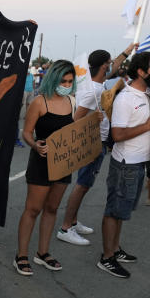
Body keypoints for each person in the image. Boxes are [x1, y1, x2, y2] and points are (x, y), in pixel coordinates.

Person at [97, 52, 150, 278]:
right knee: (114, 210)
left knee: (122, 211)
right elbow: (117, 134)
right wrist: (148, 125)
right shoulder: (126, 98)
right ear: (141, 72)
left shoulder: (148, 94)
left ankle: (115, 249)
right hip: (125, 164)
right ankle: (106, 258)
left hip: (138, 163)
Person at [13, 59, 77, 275]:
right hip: (41, 163)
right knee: (33, 209)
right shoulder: (39, 102)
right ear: (53, 79)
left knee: (52, 209)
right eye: (63, 80)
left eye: (70, 81)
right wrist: (35, 145)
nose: (67, 84)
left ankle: (43, 253)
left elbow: (74, 131)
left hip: (63, 165)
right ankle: (21, 256)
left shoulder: (72, 102)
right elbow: (26, 133)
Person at [58, 49, 112, 246]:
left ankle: (73, 220)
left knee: (84, 184)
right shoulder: (94, 90)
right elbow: (76, 119)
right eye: (110, 62)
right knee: (82, 185)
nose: (112, 66)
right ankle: (65, 228)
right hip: (92, 143)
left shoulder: (96, 85)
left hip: (97, 141)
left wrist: (128, 51)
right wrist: (93, 122)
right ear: (104, 65)